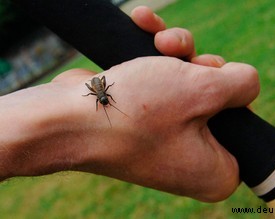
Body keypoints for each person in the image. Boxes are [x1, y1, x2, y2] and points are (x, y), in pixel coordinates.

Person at [0, 6, 259, 203]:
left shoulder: (101, 95)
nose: (104, 102)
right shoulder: (99, 96)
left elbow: (103, 93)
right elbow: (100, 94)